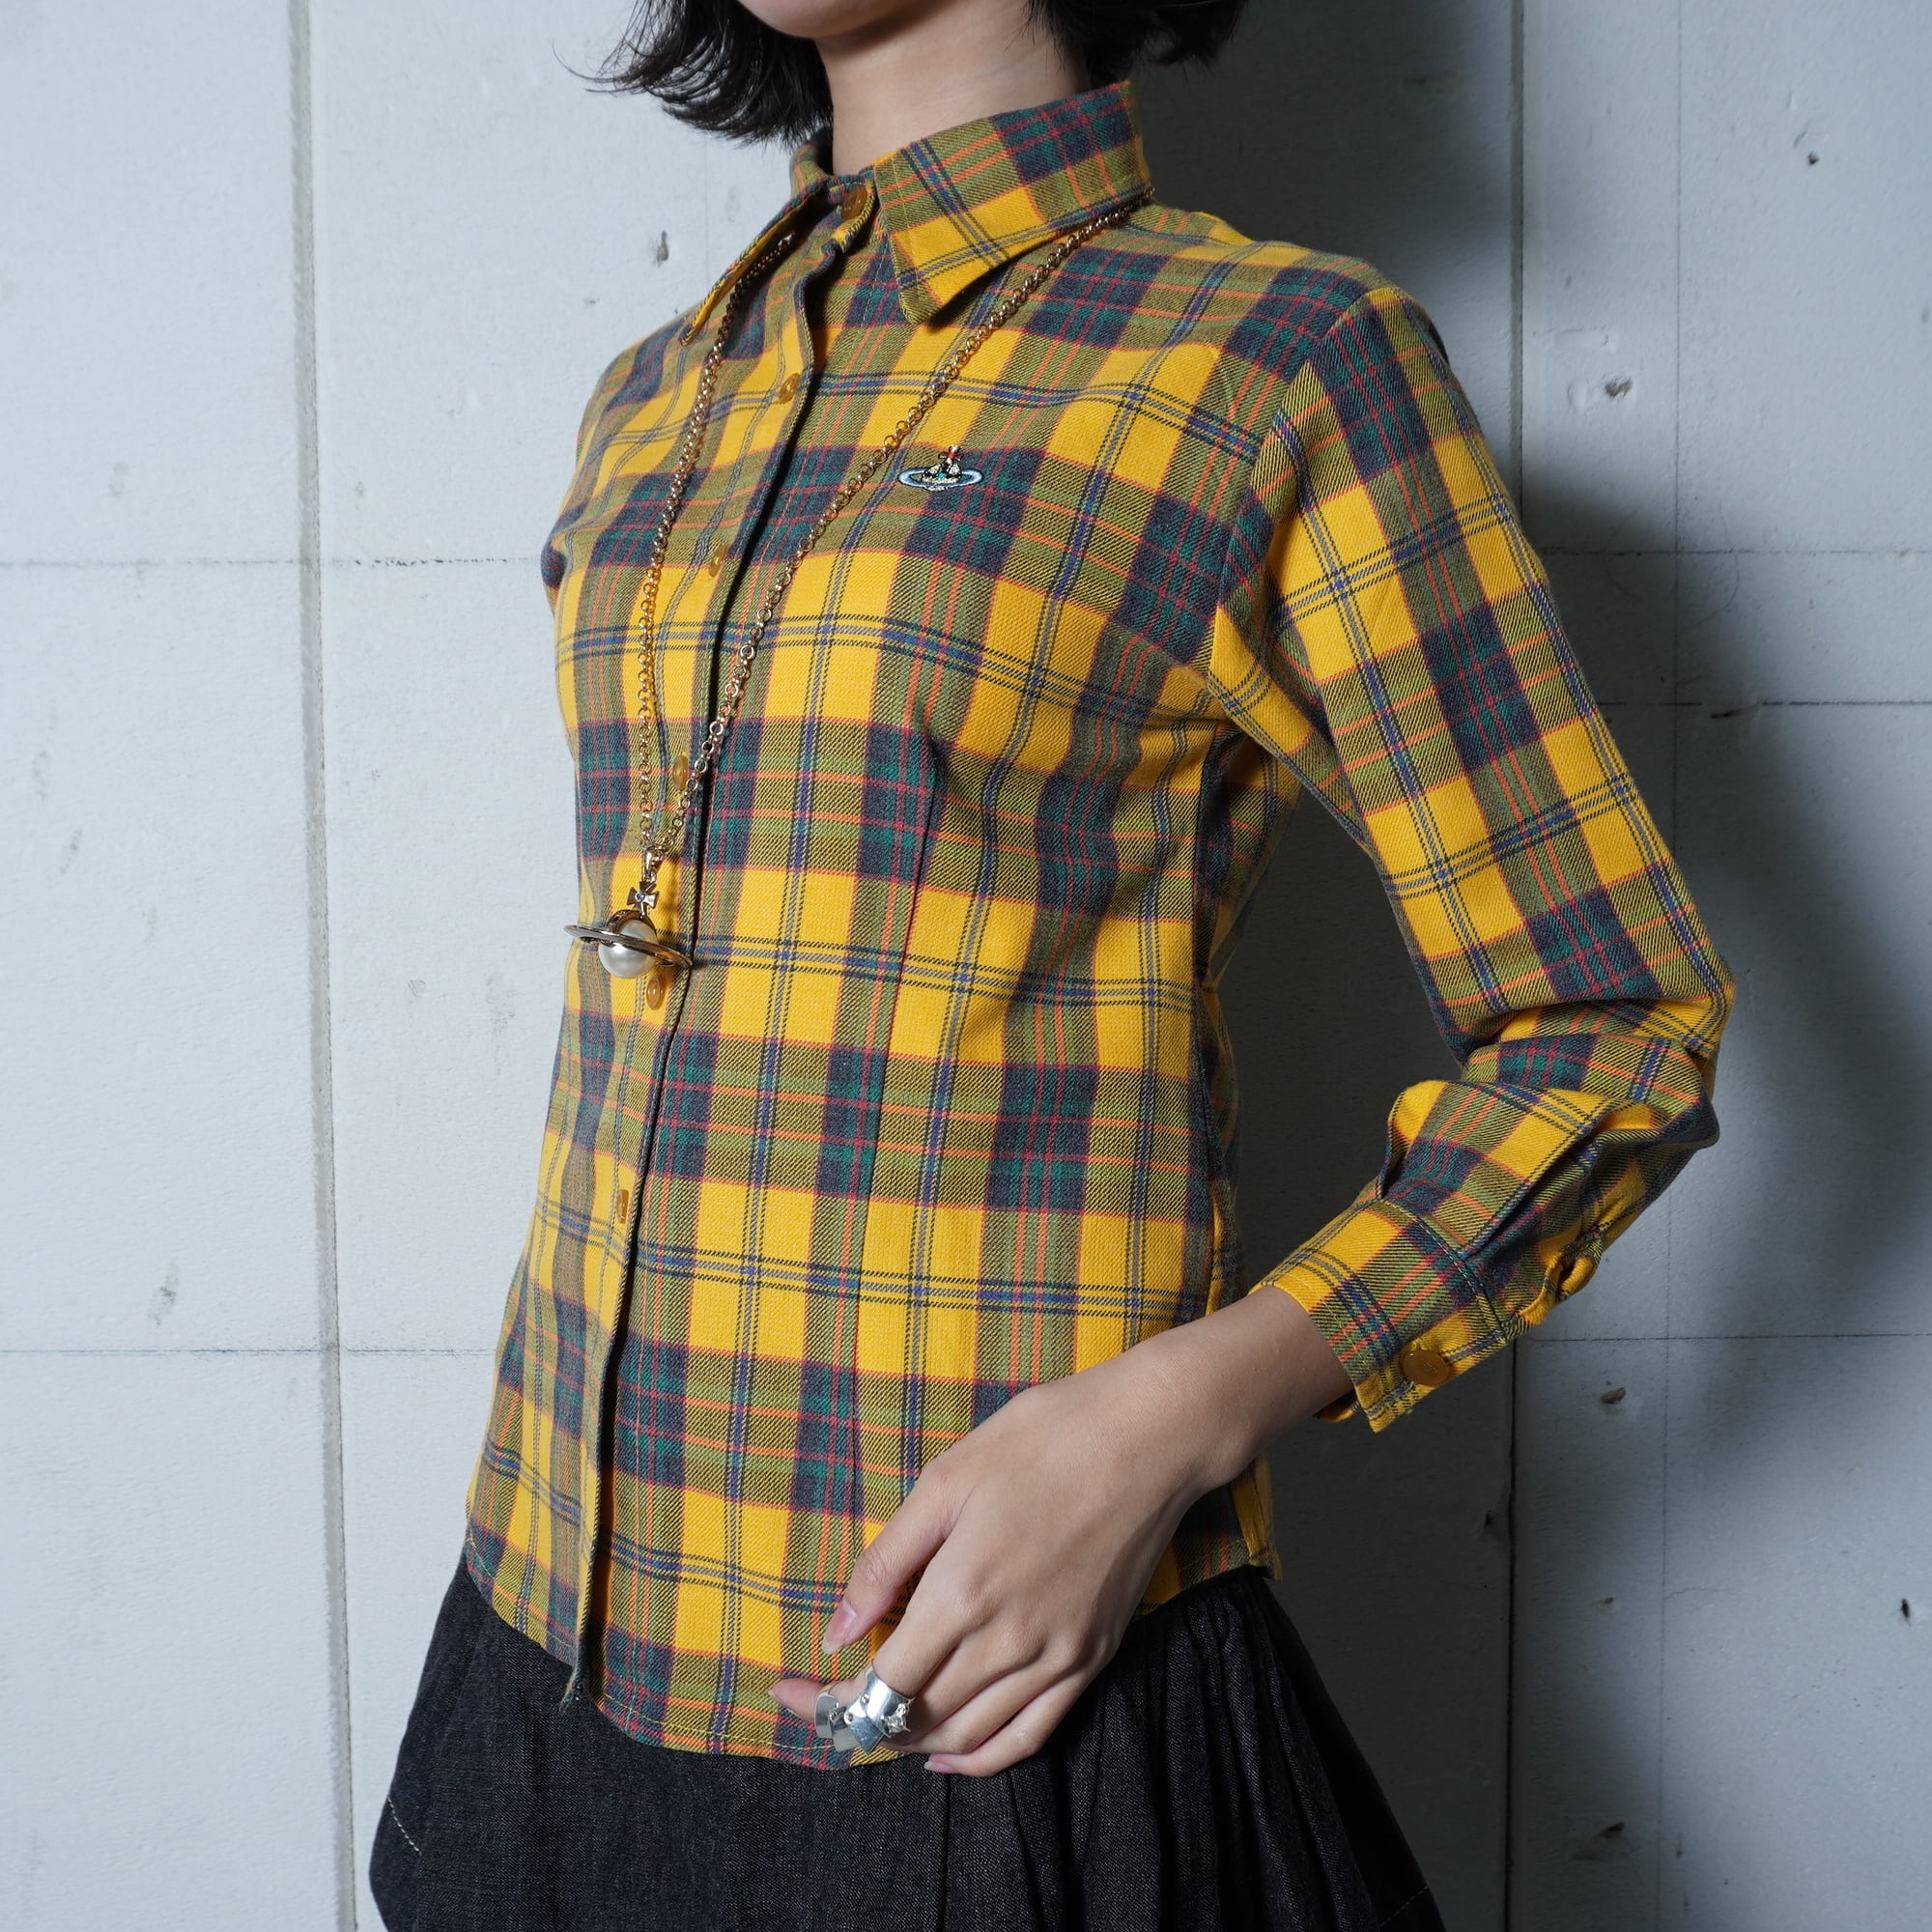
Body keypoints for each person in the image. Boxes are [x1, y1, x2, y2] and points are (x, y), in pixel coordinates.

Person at [369, 0, 1733, 1924]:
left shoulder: (1274, 365)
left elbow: (1613, 1022)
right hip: (539, 1652)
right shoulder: (663, 392)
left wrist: (1168, 1419)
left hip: (958, 1697)